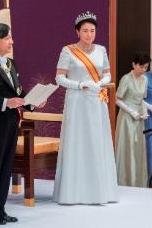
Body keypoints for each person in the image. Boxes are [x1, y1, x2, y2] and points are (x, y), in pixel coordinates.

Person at [0, 23, 45, 224]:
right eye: (7, 38)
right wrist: (6, 103)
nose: (11, 41)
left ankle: (0, 209)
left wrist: (32, 101)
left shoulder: (11, 63)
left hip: (11, 123)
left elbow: (17, 93)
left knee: (5, 167)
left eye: (11, 37)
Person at [53, 11, 119, 204]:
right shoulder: (68, 51)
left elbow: (107, 74)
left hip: (97, 100)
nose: (89, 34)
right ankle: (74, 192)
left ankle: (100, 192)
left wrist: (100, 82)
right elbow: (59, 78)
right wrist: (80, 85)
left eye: (92, 30)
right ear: (77, 32)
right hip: (77, 100)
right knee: (78, 140)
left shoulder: (101, 50)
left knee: (97, 140)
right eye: (85, 31)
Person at [115, 52, 151, 187]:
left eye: (145, 67)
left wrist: (146, 111)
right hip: (127, 116)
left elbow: (142, 99)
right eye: (141, 66)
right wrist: (131, 112)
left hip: (139, 116)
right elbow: (117, 100)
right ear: (134, 65)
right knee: (128, 147)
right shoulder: (126, 79)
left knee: (138, 149)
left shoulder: (145, 79)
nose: (143, 70)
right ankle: (124, 182)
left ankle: (138, 182)